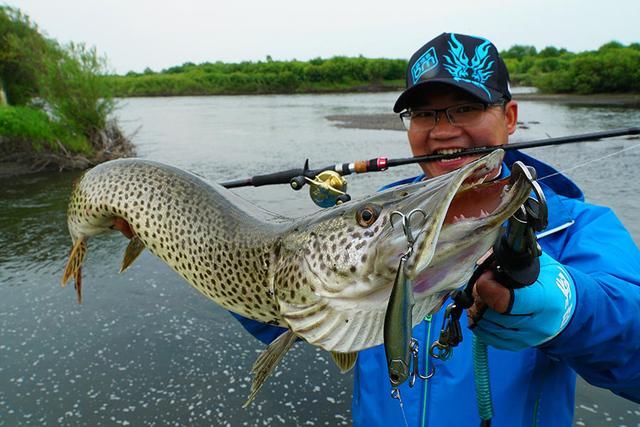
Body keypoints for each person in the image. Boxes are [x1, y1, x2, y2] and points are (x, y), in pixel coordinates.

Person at [235, 33, 640, 426]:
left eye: (465, 108)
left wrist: (572, 309)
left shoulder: (577, 225)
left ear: (510, 117)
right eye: (424, 113)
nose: (443, 131)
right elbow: (284, 315)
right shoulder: (382, 217)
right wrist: (230, 268)